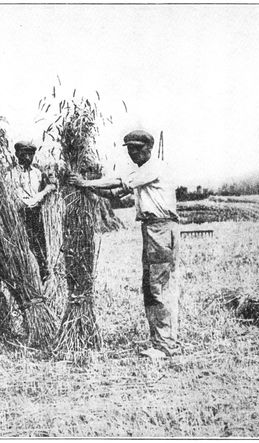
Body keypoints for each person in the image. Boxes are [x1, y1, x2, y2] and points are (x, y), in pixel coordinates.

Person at [68, 129, 180, 359]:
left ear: (148, 148)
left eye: (136, 150)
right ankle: (162, 341)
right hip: (153, 229)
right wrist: (87, 189)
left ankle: (165, 346)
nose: (132, 154)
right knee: (153, 286)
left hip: (160, 228)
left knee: (157, 287)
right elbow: (117, 194)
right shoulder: (142, 171)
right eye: (129, 150)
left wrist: (85, 181)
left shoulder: (153, 167)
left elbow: (119, 181)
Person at [8, 140, 57, 283]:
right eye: (24, 154)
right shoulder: (11, 175)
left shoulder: (37, 173)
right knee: (24, 250)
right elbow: (17, 199)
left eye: (31, 154)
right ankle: (27, 280)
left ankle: (44, 280)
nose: (28, 158)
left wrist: (47, 189)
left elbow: (51, 187)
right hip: (20, 216)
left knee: (40, 249)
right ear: (17, 154)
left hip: (36, 215)